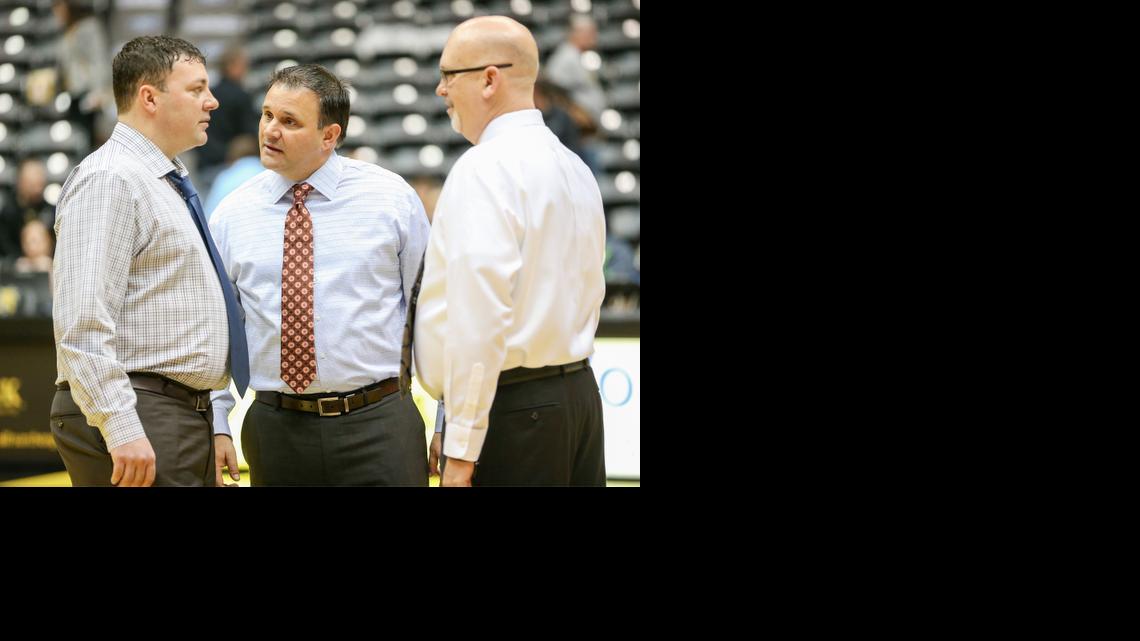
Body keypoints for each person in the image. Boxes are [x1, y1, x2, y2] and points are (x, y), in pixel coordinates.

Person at [209, 64, 431, 486]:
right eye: (268, 115)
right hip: (276, 428)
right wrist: (218, 419)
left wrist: (448, 419)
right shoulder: (232, 214)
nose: (271, 130)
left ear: (330, 136)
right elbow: (217, 329)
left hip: (379, 422)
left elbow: (434, 312)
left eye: (289, 121)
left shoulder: (391, 199)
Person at [414, 16, 607, 486]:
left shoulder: (484, 168)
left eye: (448, 74)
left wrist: (461, 444)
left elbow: (479, 316)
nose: (440, 90)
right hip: (578, 399)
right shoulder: (574, 165)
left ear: (488, 78)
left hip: (517, 411)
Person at [50, 35, 248, 487]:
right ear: (149, 97)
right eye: (197, 89)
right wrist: (119, 426)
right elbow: (81, 322)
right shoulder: (109, 178)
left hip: (173, 410)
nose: (212, 101)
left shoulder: (162, 178)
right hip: (140, 409)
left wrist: (212, 415)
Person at [195, 44, 258, 193]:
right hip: (233, 167)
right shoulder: (241, 96)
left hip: (206, 164)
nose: (245, 70)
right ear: (231, 66)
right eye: (243, 66)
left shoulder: (209, 94)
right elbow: (248, 132)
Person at [51, 0, 114, 149]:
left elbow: (98, 59)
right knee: (77, 138)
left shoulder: (89, 26)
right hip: (73, 94)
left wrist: (98, 92)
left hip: (89, 93)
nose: (56, 14)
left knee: (91, 139)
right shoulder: (65, 31)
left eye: (59, 9)